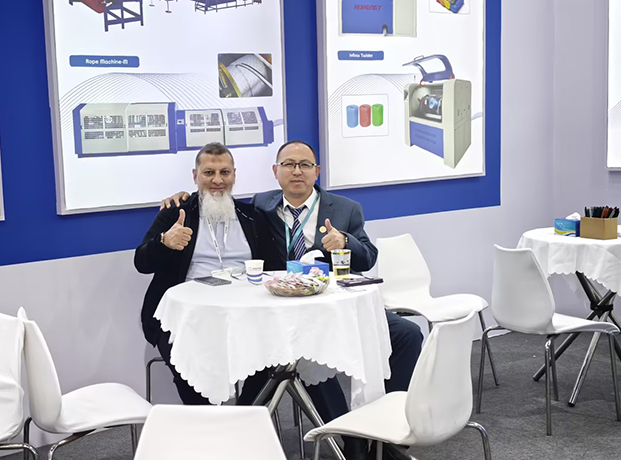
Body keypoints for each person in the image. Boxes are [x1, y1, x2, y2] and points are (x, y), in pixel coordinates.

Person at [162, 140, 424, 460]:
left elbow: (368, 257)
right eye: (288, 164)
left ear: (317, 171)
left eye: (304, 165)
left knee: (407, 333)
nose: (296, 171)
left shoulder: (345, 209)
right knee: (304, 348)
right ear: (276, 171)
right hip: (279, 310)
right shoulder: (261, 205)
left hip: (333, 304)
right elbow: (215, 195)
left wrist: (345, 241)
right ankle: (347, 439)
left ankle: (390, 437)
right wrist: (184, 197)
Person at [134, 142, 282, 406]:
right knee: (190, 369)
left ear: (234, 175)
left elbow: (275, 267)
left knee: (274, 358)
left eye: (224, 172)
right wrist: (165, 242)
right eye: (208, 173)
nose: (217, 180)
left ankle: (245, 415)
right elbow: (142, 262)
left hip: (245, 314)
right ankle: (207, 420)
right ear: (195, 176)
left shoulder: (252, 217)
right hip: (183, 318)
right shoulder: (176, 212)